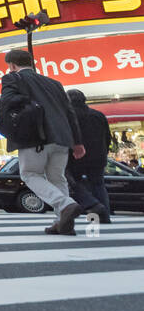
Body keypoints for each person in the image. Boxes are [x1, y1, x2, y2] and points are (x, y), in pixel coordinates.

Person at [0, 49, 85, 235]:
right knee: (57, 178)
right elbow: (70, 113)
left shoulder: (12, 78)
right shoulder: (54, 83)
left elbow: (8, 101)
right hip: (62, 137)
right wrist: (77, 141)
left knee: (29, 174)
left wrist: (28, 99)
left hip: (34, 136)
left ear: (12, 66)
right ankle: (63, 222)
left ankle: (65, 205)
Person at [65, 89, 113, 224]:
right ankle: (105, 216)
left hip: (76, 157)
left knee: (75, 183)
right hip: (98, 157)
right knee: (98, 184)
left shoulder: (69, 116)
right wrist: (104, 152)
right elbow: (107, 137)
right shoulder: (98, 115)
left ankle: (92, 206)